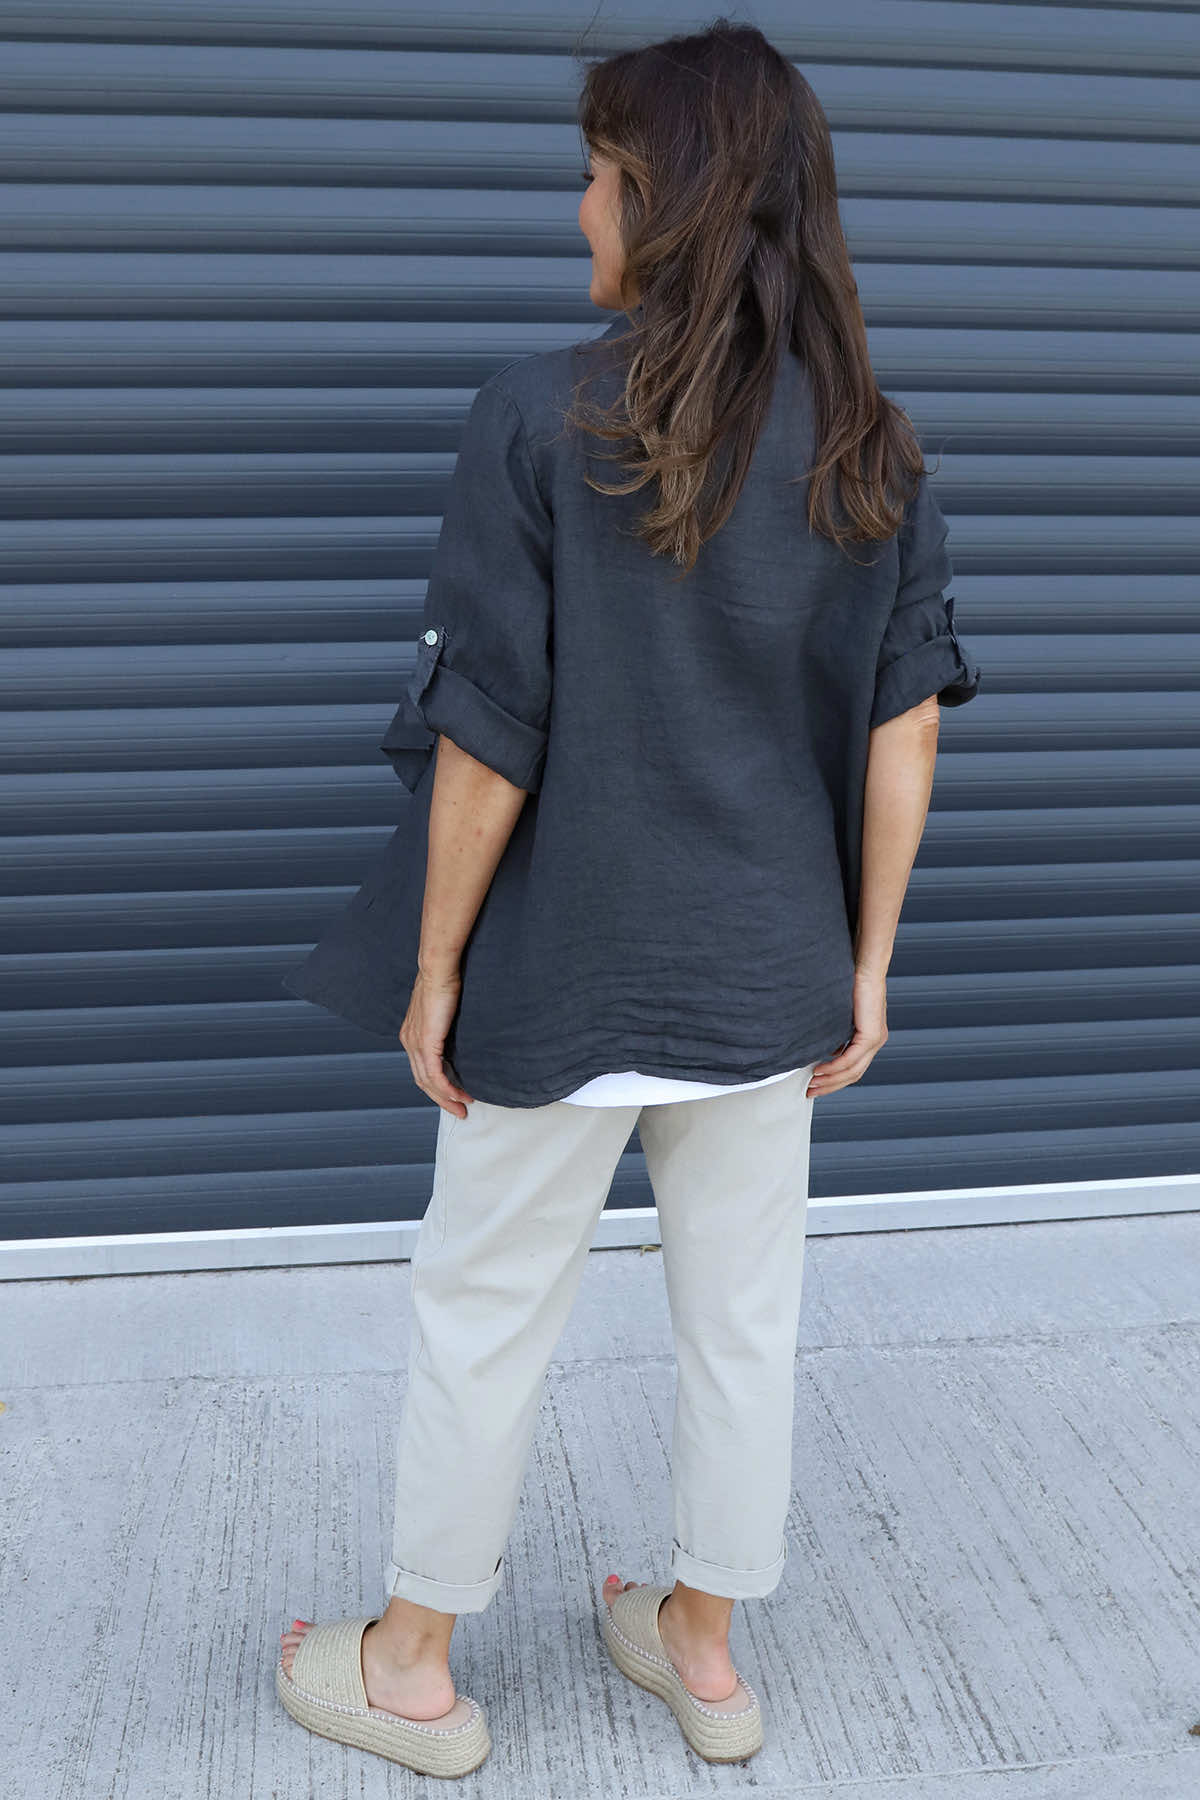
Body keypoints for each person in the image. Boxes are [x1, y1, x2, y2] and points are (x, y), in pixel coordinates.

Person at [275, 17, 982, 1776]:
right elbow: (903, 731)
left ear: (666, 195)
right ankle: (704, 1653)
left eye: (597, 172)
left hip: (565, 968)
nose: (577, 204)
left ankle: (413, 1671)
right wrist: (869, 968)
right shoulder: (872, 445)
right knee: (744, 1325)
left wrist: (435, 966)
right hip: (768, 972)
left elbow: (489, 732)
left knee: (485, 1310)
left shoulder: (539, 417)